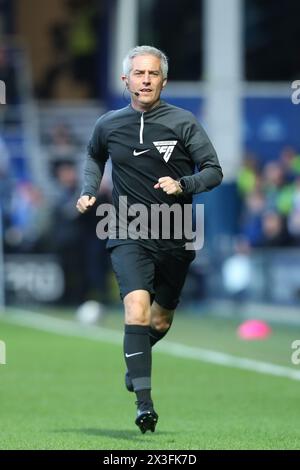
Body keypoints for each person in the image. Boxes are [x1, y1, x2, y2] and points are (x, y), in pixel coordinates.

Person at [76, 45, 223, 433]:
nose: (145, 80)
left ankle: (135, 360)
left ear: (163, 80)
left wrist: (183, 184)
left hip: (176, 233)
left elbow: (214, 171)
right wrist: (90, 189)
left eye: (152, 74)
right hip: (127, 229)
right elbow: (94, 156)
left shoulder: (183, 122)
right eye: (138, 74)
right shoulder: (108, 124)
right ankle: (144, 405)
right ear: (126, 81)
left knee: (159, 320)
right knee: (136, 311)